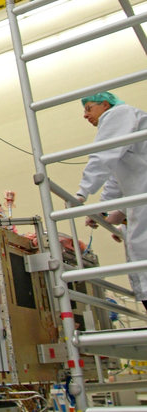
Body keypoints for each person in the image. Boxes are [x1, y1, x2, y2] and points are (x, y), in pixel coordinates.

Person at [75, 91, 147, 310]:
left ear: (105, 105)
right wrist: (106, 211)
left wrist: (81, 193)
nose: (85, 116)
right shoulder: (126, 126)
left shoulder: (118, 114)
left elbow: (103, 155)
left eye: (89, 108)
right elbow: (116, 175)